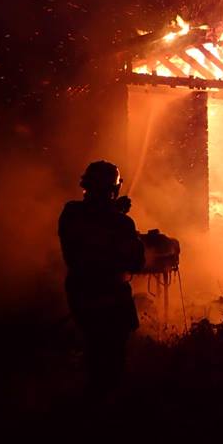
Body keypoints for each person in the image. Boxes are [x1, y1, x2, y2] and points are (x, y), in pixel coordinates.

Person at [58, 160, 145, 395]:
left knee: (92, 353)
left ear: (85, 185)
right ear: (114, 190)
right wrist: (121, 218)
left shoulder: (70, 213)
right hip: (112, 299)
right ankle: (107, 408)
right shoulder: (122, 223)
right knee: (112, 362)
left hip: (81, 295)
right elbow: (136, 263)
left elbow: (91, 222)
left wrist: (114, 210)